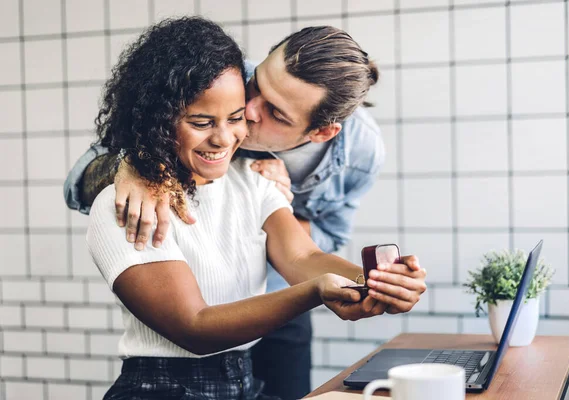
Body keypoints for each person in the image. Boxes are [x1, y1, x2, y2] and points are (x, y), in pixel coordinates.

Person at [65, 25, 398, 400]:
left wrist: (376, 282)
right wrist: (132, 164)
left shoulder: (322, 163)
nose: (230, 132)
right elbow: (195, 328)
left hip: (261, 331)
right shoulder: (217, 77)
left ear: (320, 132)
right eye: (203, 121)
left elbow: (306, 253)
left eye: (238, 116)